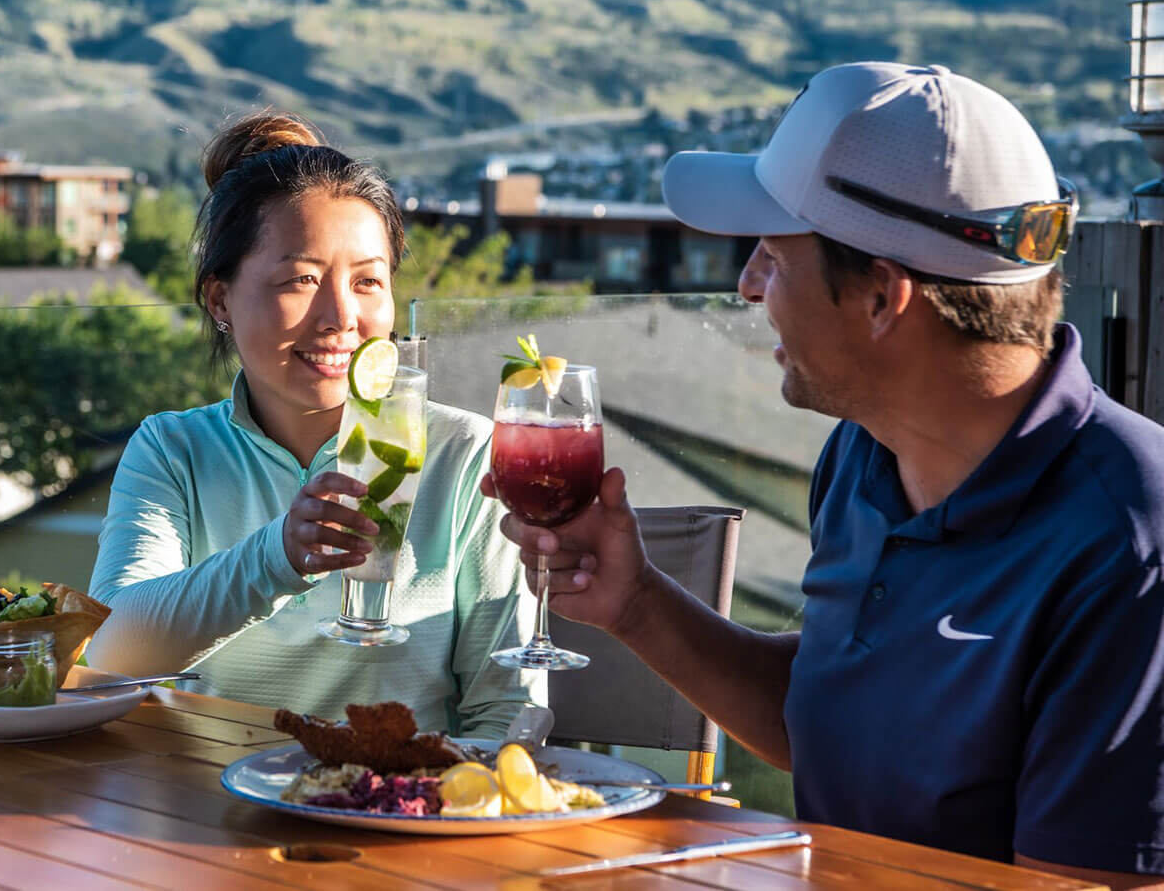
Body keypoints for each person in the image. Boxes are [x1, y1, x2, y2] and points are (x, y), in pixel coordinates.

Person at [490, 62, 1164, 885]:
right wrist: (637, 604)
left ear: (883, 297)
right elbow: (833, 717)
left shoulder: (1130, 545)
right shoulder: (863, 453)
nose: (746, 287)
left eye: (773, 257)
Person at [88, 110, 542, 737]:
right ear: (220, 299)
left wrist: (411, 799)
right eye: (301, 279)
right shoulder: (174, 449)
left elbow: (508, 711)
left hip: (393, 812)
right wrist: (279, 555)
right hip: (199, 808)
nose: (340, 316)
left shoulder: (466, 455)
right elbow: (112, 649)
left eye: (368, 282)